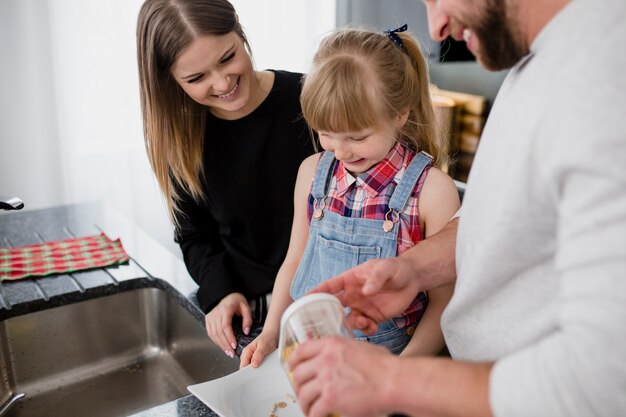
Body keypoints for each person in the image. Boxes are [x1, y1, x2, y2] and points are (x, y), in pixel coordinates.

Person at [287, 0, 626, 416]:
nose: (436, 25)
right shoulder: (537, 60)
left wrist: (390, 381)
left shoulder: (607, 81)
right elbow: (501, 217)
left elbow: (602, 380)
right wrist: (415, 269)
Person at [240, 26, 460, 369]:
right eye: (326, 133)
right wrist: (271, 333)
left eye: (357, 137)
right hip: (312, 355)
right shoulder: (312, 172)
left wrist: (397, 375)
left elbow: (444, 303)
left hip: (389, 365)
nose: (340, 150)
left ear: (399, 114)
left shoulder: (432, 191)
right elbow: (295, 259)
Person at [136, 0, 316, 358]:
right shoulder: (182, 139)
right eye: (197, 78)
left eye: (227, 57)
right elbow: (194, 235)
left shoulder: (309, 99)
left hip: (324, 301)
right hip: (251, 314)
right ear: (170, 82)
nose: (222, 83)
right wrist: (222, 292)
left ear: (241, 33)